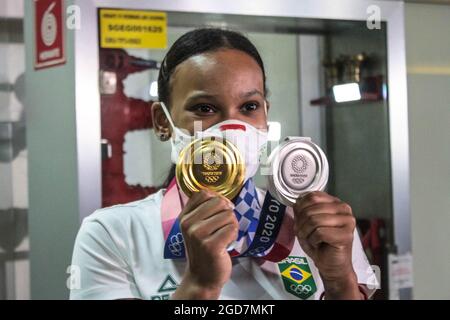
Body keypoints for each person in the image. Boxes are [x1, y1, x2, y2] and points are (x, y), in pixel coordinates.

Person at [70, 28, 377, 300]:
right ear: (163, 122)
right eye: (205, 108)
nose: (232, 127)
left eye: (249, 107)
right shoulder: (113, 235)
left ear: (266, 116)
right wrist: (199, 285)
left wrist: (341, 283)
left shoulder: (318, 226)